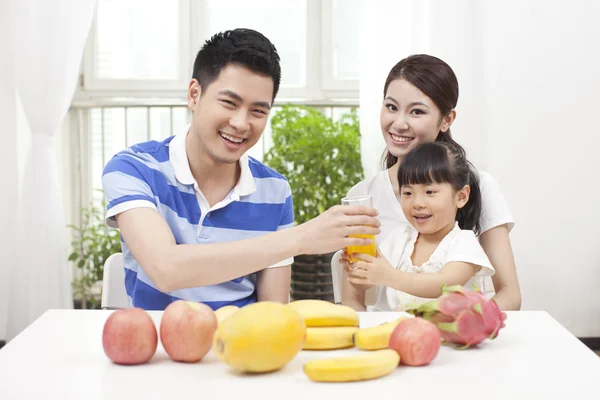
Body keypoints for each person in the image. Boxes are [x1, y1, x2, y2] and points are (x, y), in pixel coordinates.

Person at [101, 28, 379, 310]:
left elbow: (272, 314)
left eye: (258, 111)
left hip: (239, 348)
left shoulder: (274, 190)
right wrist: (302, 238)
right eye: (229, 103)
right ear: (194, 95)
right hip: (158, 349)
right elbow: (166, 268)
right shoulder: (133, 168)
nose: (241, 123)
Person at [340, 54, 521, 311]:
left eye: (416, 111)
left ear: (446, 120)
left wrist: (466, 328)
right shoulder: (363, 196)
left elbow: (509, 295)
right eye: (391, 107)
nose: (399, 123)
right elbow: (353, 301)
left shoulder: (478, 185)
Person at [341, 141, 495, 311]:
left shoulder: (464, 243)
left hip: (445, 335)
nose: (417, 203)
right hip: (392, 331)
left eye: (429, 192)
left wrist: (389, 276)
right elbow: (368, 283)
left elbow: (443, 284)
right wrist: (359, 272)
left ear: (461, 197)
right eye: (407, 193)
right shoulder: (398, 239)